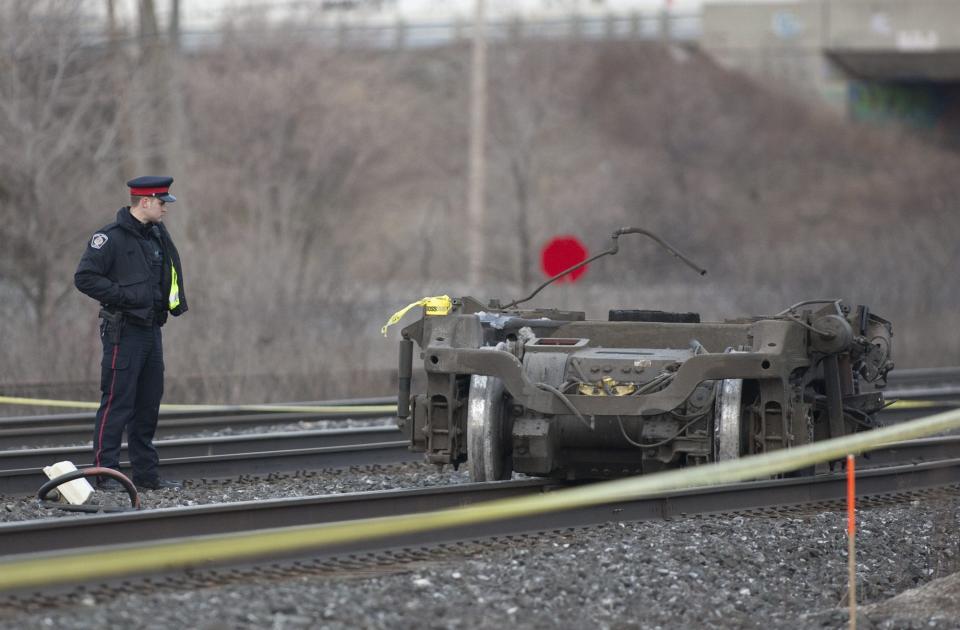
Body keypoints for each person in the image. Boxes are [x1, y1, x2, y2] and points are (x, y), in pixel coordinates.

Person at [75, 176, 188, 491]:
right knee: (117, 404)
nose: (166, 208)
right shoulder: (109, 238)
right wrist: (123, 296)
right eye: (162, 202)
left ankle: (146, 476)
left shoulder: (155, 235)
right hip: (123, 332)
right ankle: (105, 475)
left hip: (152, 330)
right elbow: (84, 278)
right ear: (146, 201)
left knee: (148, 404)